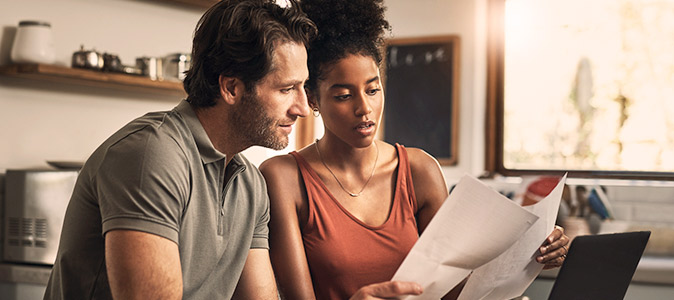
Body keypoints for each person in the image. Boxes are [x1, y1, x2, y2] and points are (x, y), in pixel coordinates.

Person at [259, 0, 571, 299]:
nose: (364, 108)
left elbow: (455, 291)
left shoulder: (419, 170)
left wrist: (531, 254)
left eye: (373, 89)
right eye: (343, 96)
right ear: (312, 98)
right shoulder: (284, 178)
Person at [44, 1, 316, 299]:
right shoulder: (151, 155)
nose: (302, 108)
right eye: (287, 89)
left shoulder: (250, 185)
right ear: (231, 88)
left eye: (303, 87)